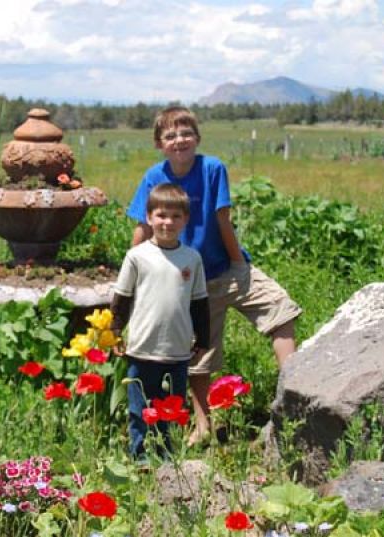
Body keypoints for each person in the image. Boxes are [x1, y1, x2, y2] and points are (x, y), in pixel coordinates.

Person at [126, 106, 302, 446]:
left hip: (226, 268)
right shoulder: (153, 177)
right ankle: (203, 425)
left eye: (186, 133)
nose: (180, 140)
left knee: (280, 309)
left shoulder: (212, 169)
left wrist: (239, 265)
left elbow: (222, 220)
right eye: (170, 135)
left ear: (198, 137)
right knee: (199, 354)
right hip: (186, 280)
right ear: (159, 144)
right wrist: (133, 272)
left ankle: (294, 395)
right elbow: (142, 227)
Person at [110, 183, 210, 459]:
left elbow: (199, 303)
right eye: (162, 215)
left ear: (186, 220)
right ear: (150, 217)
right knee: (139, 408)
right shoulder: (137, 257)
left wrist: (203, 338)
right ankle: (140, 458)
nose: (168, 222)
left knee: (172, 409)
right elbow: (122, 297)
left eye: (176, 216)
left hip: (176, 351)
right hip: (141, 348)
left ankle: (167, 458)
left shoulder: (191, 259)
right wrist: (116, 331)